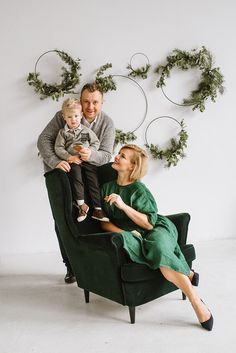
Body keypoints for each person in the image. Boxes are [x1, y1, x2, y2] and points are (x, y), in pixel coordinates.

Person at [101, 144, 213, 331]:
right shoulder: (106, 188)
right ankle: (188, 273)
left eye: (123, 156)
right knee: (144, 248)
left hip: (156, 228)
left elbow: (148, 224)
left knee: (158, 250)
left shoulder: (139, 190)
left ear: (132, 166)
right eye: (118, 154)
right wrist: (126, 233)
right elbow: (103, 223)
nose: (117, 157)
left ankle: (195, 301)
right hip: (131, 234)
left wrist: (123, 206)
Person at [37, 83, 115, 284]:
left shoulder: (107, 123)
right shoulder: (63, 115)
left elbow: (106, 154)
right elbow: (44, 140)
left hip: (89, 176)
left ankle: (92, 265)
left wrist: (91, 155)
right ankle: (70, 266)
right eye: (86, 101)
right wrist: (57, 161)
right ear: (80, 101)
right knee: (63, 220)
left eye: (95, 102)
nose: (90, 107)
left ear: (102, 102)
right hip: (62, 175)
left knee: (91, 218)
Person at [54, 98, 109, 223]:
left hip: (87, 160)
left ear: (81, 116)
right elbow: (58, 148)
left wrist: (90, 151)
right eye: (69, 117)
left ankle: (98, 209)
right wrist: (69, 157)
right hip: (74, 161)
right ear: (64, 117)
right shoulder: (63, 133)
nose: (73, 119)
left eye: (76, 116)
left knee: (93, 181)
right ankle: (81, 206)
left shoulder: (86, 131)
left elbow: (96, 143)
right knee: (76, 178)